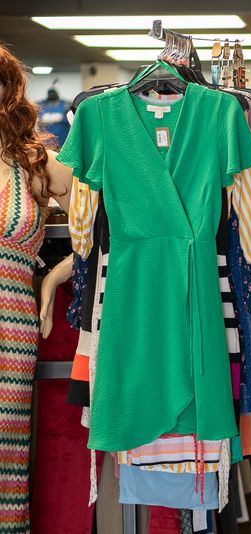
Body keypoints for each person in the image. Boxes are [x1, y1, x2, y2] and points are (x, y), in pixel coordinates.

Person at [0, 43, 73, 531]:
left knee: (7, 453)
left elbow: (107, 220)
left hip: (13, 324)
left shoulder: (34, 162)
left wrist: (51, 277)